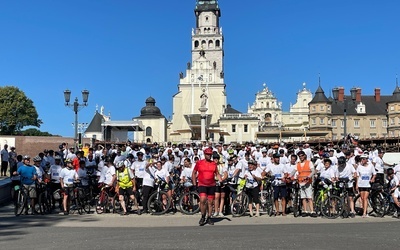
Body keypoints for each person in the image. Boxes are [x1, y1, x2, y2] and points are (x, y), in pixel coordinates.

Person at [192, 147, 222, 226]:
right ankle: (203, 216)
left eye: (210, 154)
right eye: (207, 154)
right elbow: (194, 173)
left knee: (210, 202)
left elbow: (217, 173)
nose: (209, 156)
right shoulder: (199, 163)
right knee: (202, 200)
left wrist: (220, 180)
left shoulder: (213, 164)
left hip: (211, 185)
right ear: (204, 154)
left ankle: (209, 217)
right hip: (202, 184)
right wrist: (194, 184)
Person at [294, 151, 317, 217]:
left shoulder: (309, 163)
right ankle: (305, 211)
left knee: (309, 197)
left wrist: (309, 176)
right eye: (299, 156)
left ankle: (312, 211)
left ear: (304, 156)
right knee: (303, 197)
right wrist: (289, 176)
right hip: (301, 182)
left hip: (308, 182)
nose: (301, 157)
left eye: (302, 155)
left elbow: (313, 171)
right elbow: (294, 171)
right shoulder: (298, 164)